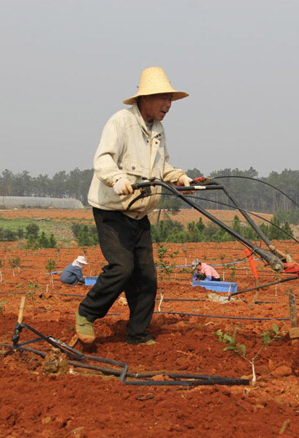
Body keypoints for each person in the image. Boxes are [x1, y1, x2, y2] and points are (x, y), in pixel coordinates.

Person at [75, 67, 194, 346]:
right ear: (145, 99)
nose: (168, 105)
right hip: (112, 211)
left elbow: (161, 166)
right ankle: (86, 313)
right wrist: (116, 178)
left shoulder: (157, 130)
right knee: (122, 267)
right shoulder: (120, 122)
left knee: (147, 277)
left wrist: (178, 177)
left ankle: (138, 332)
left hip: (139, 212)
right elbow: (103, 158)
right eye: (163, 99)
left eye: (170, 100)